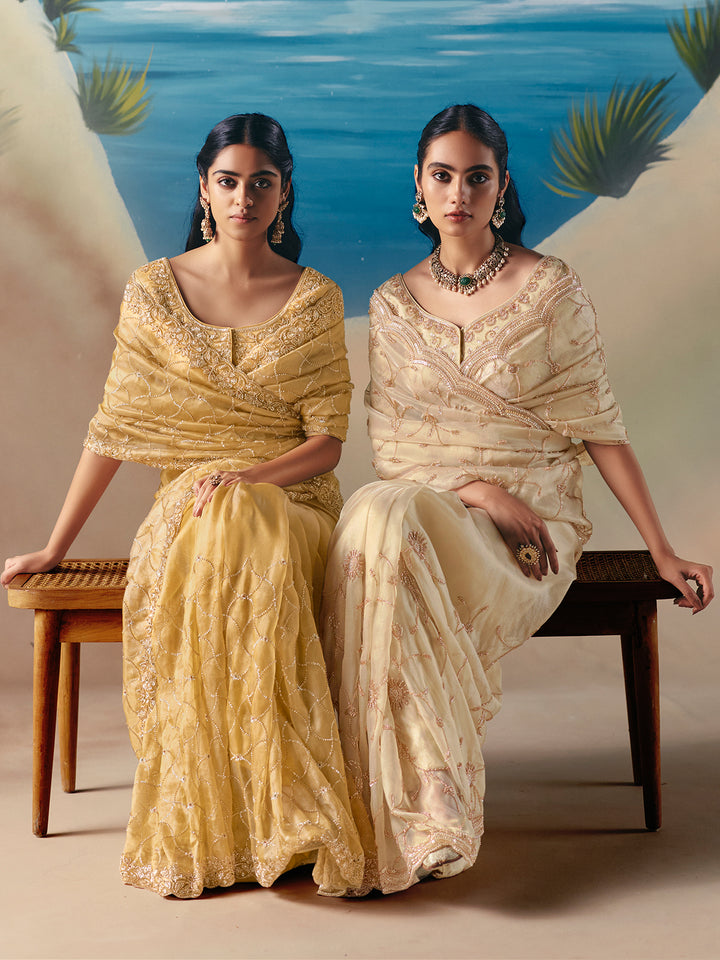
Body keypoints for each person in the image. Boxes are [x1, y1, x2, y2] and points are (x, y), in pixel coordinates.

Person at [320, 104, 714, 896]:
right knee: (374, 512)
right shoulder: (393, 305)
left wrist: (661, 548)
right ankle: (403, 807)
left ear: (500, 188)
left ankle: (425, 808)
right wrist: (474, 490)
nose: (459, 193)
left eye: (478, 177)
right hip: (435, 506)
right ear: (419, 185)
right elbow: (393, 447)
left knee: (384, 521)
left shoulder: (550, 287)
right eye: (443, 176)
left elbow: (600, 427)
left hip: (533, 523)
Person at [2, 113, 364, 899]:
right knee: (220, 524)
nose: (244, 198)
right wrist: (56, 546)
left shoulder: (316, 298)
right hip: (189, 512)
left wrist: (253, 479)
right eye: (228, 182)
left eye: (261, 183)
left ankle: (284, 811)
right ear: (204, 189)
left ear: (284, 192)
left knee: (244, 519)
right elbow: (113, 431)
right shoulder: (153, 292)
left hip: (294, 504)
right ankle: (228, 822)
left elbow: (328, 443)